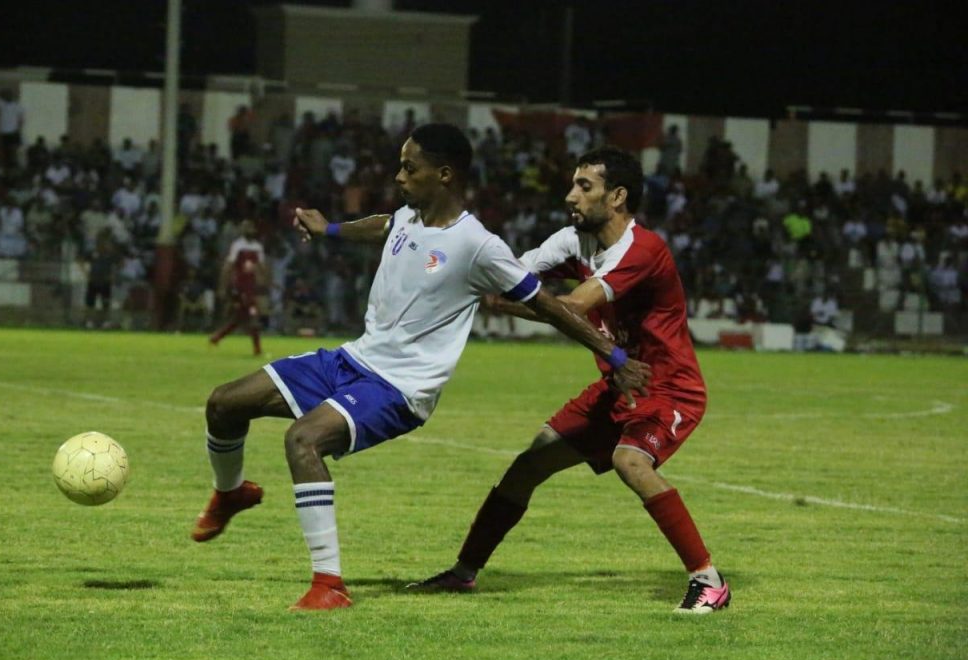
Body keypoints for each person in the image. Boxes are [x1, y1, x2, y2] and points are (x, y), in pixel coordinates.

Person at [191, 124, 651, 612]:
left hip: (399, 388)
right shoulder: (410, 216)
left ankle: (329, 585)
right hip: (354, 358)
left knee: (303, 440)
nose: (399, 176)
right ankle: (230, 493)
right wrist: (331, 229)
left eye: (410, 168)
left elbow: (549, 306)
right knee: (224, 403)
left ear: (444, 174)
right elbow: (384, 225)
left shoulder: (477, 245)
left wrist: (614, 355)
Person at [407, 146, 731, 614]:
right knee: (528, 465)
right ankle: (463, 573)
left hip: (667, 388)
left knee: (630, 461)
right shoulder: (573, 241)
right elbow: (509, 274)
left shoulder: (643, 250)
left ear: (617, 197)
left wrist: (506, 302)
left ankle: (709, 581)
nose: (570, 196)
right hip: (617, 385)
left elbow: (575, 307)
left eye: (584, 186)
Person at [208, 220, 268, 356]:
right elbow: (229, 266)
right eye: (245, 228)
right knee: (253, 316)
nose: (248, 230)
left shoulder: (257, 247)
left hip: (251, 287)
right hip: (240, 287)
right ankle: (257, 350)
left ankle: (216, 338)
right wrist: (223, 285)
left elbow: (261, 266)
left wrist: (264, 282)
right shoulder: (238, 245)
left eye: (250, 228)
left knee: (239, 319)